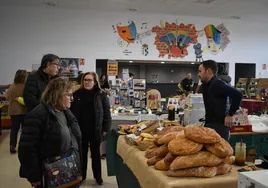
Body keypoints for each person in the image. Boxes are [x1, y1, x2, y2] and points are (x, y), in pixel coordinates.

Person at [18, 77, 82, 188]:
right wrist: (34, 177)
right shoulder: (38, 115)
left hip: (66, 167)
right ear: (57, 94)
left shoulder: (65, 112)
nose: (72, 99)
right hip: (49, 172)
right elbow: (27, 150)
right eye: (68, 95)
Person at [71, 72, 111, 185]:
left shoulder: (101, 95)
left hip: (96, 129)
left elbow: (107, 113)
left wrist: (105, 128)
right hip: (80, 130)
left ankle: (98, 177)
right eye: (85, 80)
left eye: (90, 80)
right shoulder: (76, 94)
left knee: (96, 155)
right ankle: (81, 176)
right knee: (81, 155)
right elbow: (70, 112)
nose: (87, 82)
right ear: (82, 81)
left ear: (95, 82)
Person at [198, 60, 243, 140]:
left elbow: (238, 95)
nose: (199, 74)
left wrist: (230, 114)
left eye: (200, 71)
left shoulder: (217, 84)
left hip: (219, 126)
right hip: (210, 123)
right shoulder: (206, 84)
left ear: (208, 71)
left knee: (221, 151)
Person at [5, 70, 28, 154]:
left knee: (14, 129)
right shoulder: (26, 86)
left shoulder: (12, 86)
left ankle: (12, 146)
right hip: (24, 111)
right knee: (24, 130)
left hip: (13, 111)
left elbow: (7, 96)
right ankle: (22, 146)